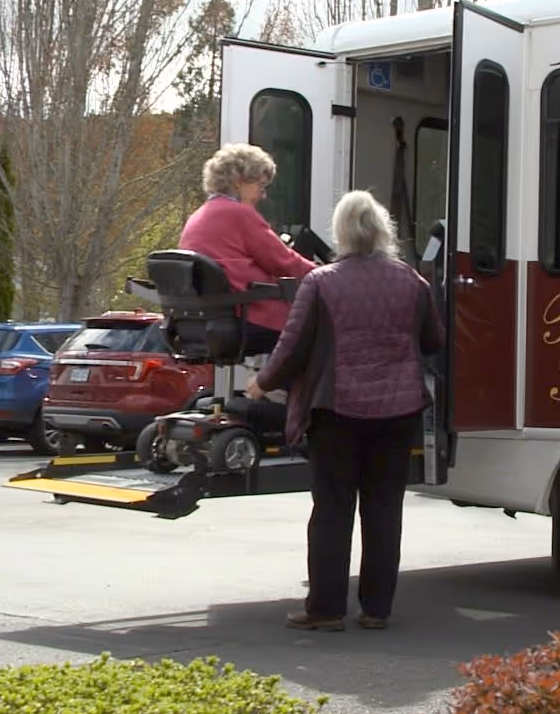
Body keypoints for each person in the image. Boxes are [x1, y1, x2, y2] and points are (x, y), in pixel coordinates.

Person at [250, 190, 445, 632]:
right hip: (399, 412)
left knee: (333, 509)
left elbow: (292, 345)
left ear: (341, 232)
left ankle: (326, 609)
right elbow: (434, 339)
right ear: (381, 230)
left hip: (337, 410)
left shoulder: (321, 282)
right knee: (383, 510)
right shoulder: (412, 281)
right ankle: (376, 609)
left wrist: (262, 383)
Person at [178, 144, 318, 355]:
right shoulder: (239, 214)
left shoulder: (198, 216)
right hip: (246, 318)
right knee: (318, 330)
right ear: (238, 182)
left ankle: (270, 384)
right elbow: (284, 262)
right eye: (260, 186)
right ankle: (274, 386)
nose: (263, 196)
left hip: (199, 322)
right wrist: (326, 273)